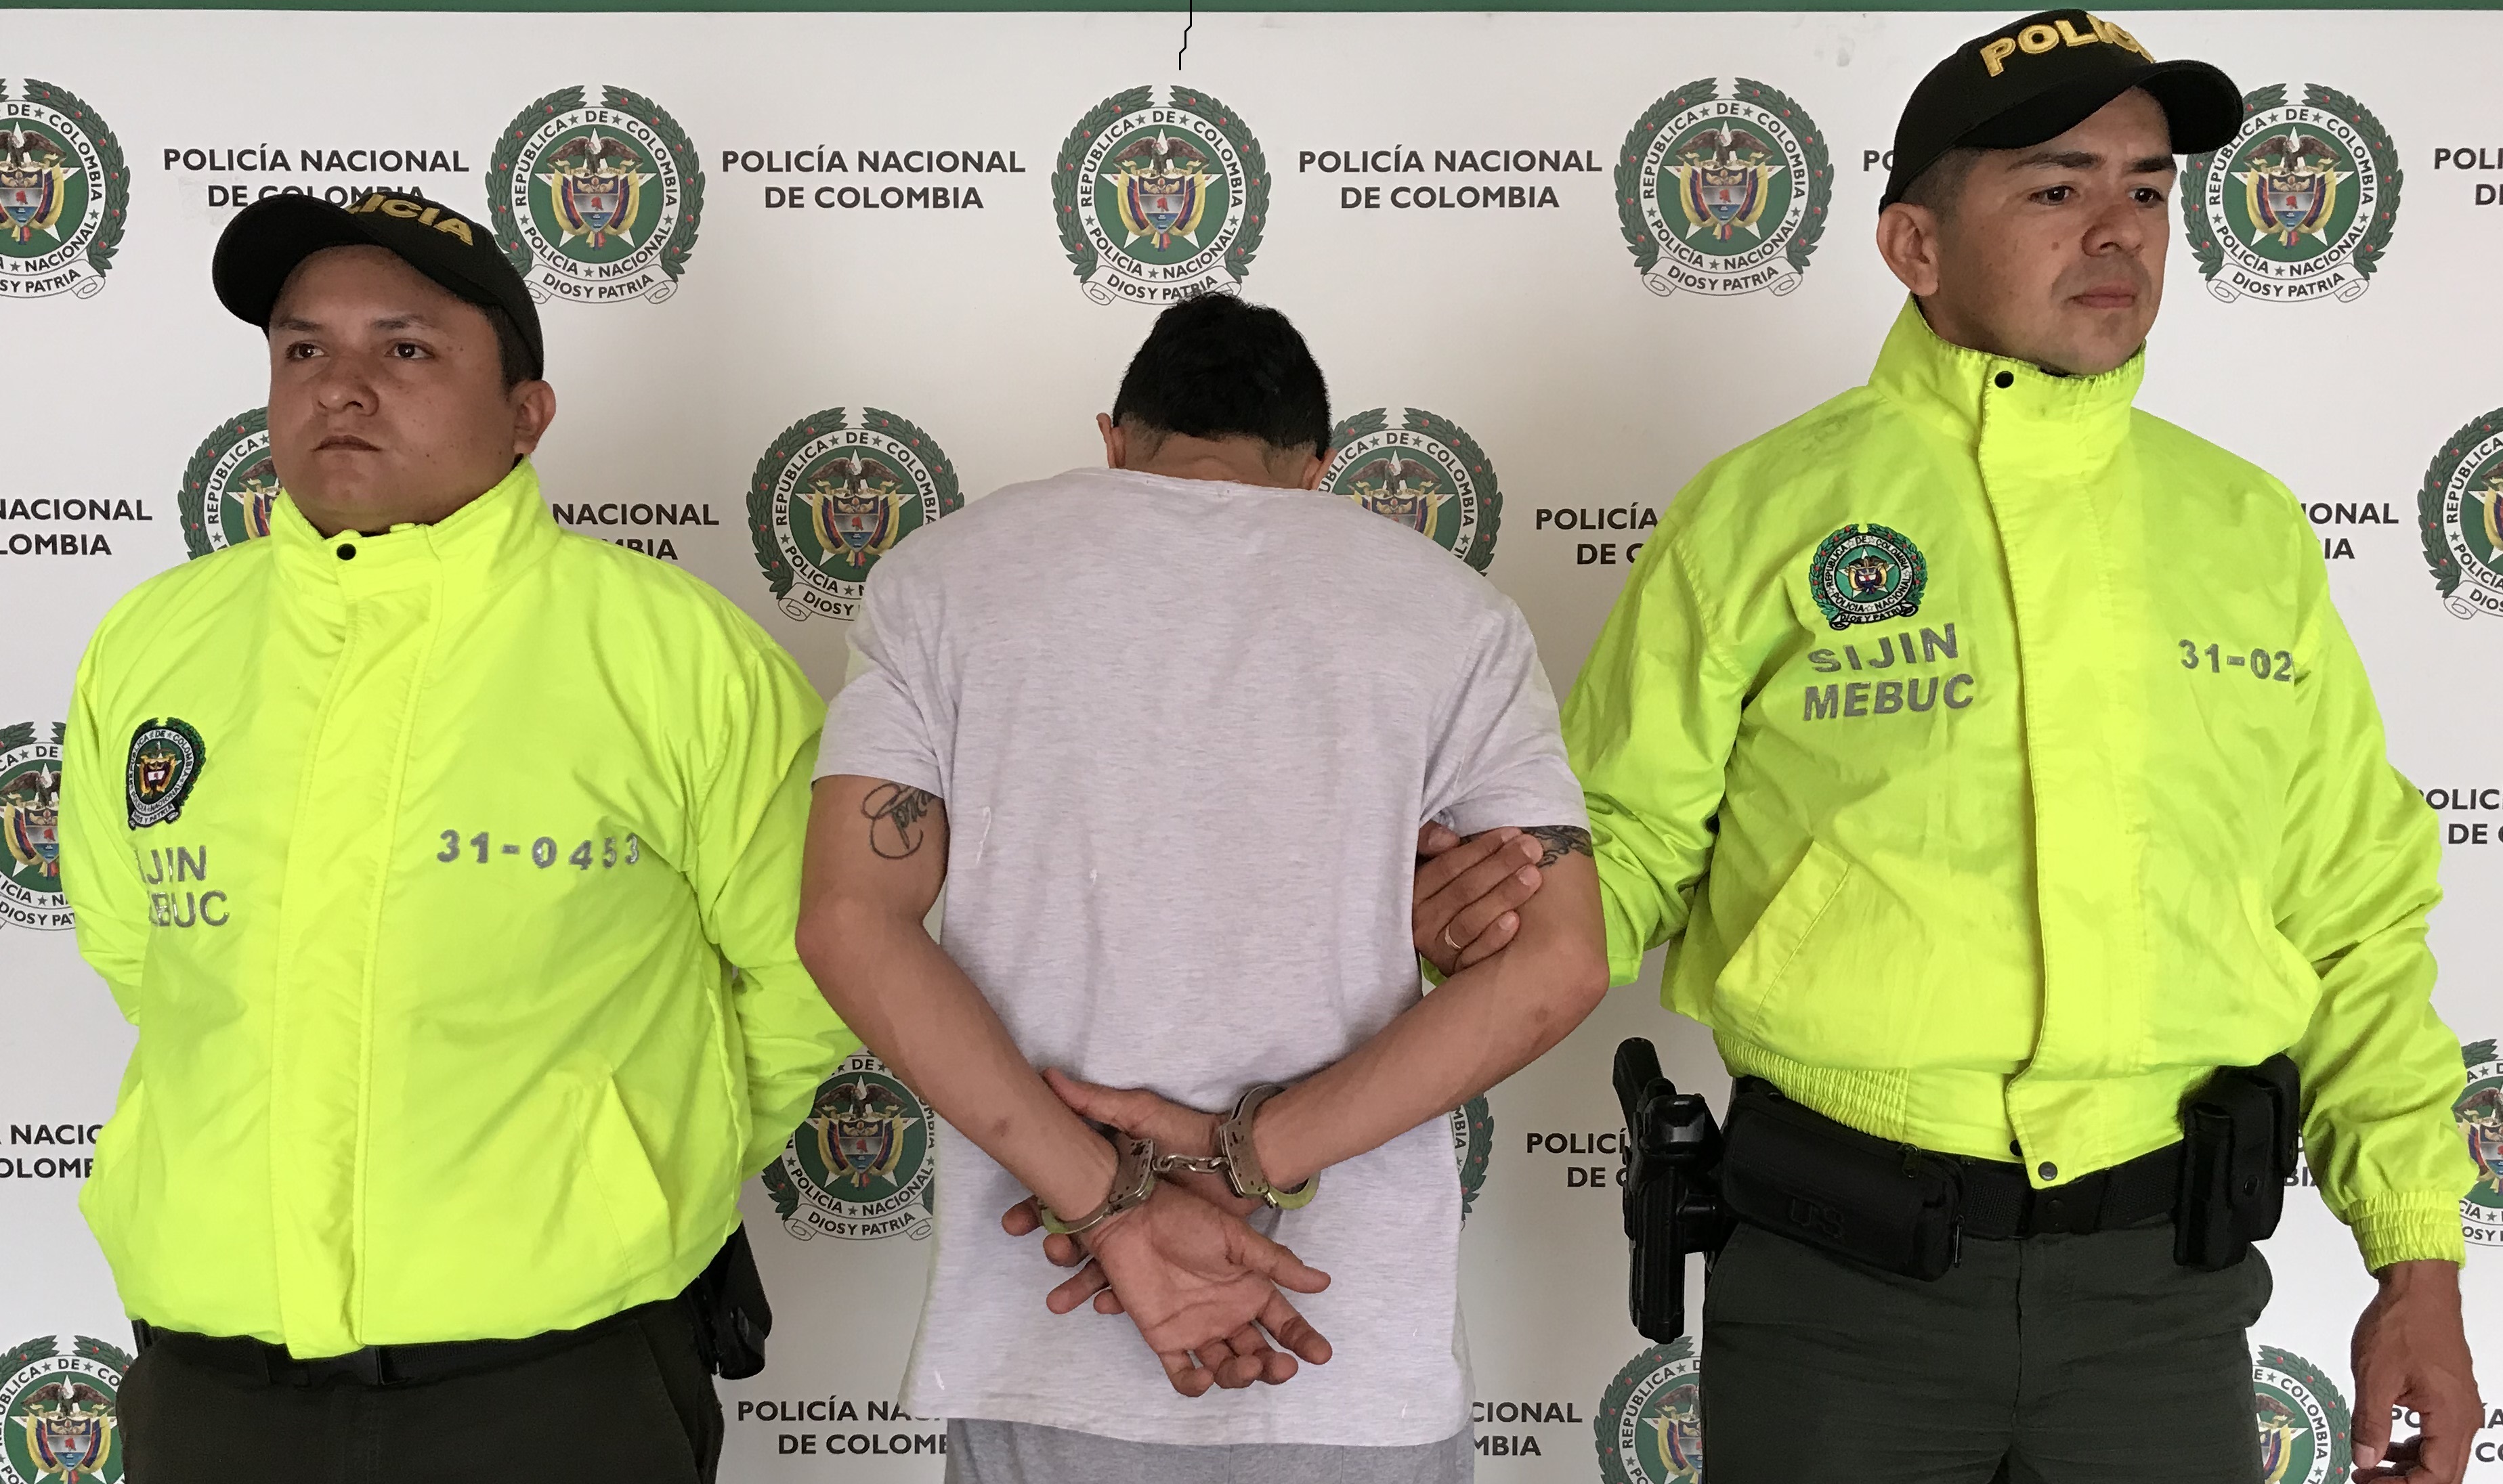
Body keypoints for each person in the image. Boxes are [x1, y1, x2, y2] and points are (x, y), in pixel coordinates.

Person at [1422, 12, 2481, 1483]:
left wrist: (2419, 1256)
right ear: (1914, 245)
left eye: (2149, 189)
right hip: (1840, 1300)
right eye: (2056, 188)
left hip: (2159, 1305)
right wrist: (1487, 921)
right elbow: (1626, 842)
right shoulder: (1764, 513)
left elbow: (2354, 911)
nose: (2118, 231)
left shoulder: (2244, 530)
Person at [56, 190, 853, 1481]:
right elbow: (141, 953)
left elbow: (816, 964)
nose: (341, 386)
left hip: (558, 1386)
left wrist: (631, 1168)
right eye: (304, 348)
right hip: (213, 1387)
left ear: (527, 414)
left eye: (407, 347)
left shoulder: (677, 657)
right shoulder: (154, 643)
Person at [795, 292, 1609, 1483]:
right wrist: (1251, 1155)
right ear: (1320, 466)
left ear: (1115, 440)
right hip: (1345, 1343)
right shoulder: (1453, 614)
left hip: (1049, 1322)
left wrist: (1111, 1202)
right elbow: (1562, 962)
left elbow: (849, 923)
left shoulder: (942, 581)